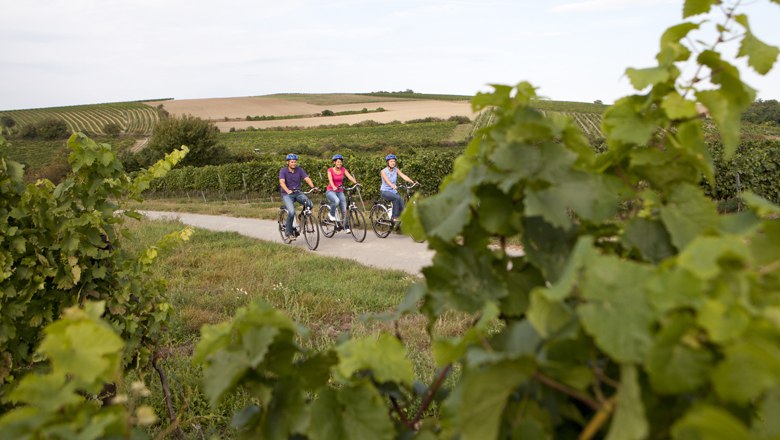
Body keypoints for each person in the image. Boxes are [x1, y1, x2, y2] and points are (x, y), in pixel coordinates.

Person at [279, 153, 317, 239]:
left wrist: (313, 187)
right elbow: (282, 182)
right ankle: (288, 232)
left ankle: (301, 215)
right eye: (292, 162)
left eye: (295, 162)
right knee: (291, 212)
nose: (294, 163)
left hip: (297, 192)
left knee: (310, 204)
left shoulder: (299, 170)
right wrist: (287, 190)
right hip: (287, 194)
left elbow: (307, 178)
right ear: (288, 162)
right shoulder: (283, 170)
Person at [325, 154, 358, 233]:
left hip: (340, 191)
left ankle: (346, 226)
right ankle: (331, 214)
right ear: (334, 162)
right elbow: (330, 180)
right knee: (336, 201)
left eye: (340, 162)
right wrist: (333, 186)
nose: (339, 163)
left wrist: (356, 183)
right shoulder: (330, 170)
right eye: (338, 162)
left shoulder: (343, 169)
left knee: (344, 209)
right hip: (331, 191)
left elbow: (349, 176)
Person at [379, 154, 416, 221]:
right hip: (385, 191)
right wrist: (392, 185)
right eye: (391, 161)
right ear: (388, 162)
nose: (393, 163)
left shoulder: (396, 169)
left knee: (402, 207)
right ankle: (394, 217)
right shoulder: (383, 171)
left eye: (394, 161)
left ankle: (401, 223)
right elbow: (387, 181)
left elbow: (403, 176)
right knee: (396, 198)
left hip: (393, 191)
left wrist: (412, 181)